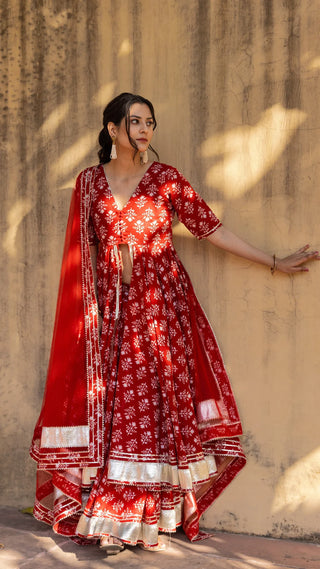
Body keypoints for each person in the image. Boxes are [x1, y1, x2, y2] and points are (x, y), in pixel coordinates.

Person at [30, 92, 319, 555]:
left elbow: (211, 228)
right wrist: (87, 319)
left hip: (161, 311)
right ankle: (113, 509)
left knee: (150, 411)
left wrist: (273, 261)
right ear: (112, 129)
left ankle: (140, 514)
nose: (145, 131)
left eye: (150, 123)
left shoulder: (165, 179)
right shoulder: (89, 184)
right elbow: (78, 256)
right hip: (110, 315)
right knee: (115, 409)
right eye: (135, 122)